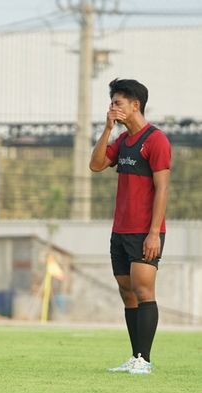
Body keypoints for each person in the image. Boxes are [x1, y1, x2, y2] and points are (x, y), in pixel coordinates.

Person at [89, 78, 171, 375]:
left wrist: (153, 233)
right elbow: (96, 165)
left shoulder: (156, 140)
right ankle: (135, 356)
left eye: (117, 103)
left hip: (144, 231)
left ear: (135, 105)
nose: (112, 107)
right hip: (119, 231)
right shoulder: (121, 141)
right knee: (127, 292)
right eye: (111, 103)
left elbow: (162, 189)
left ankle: (144, 360)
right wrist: (108, 128)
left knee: (143, 290)